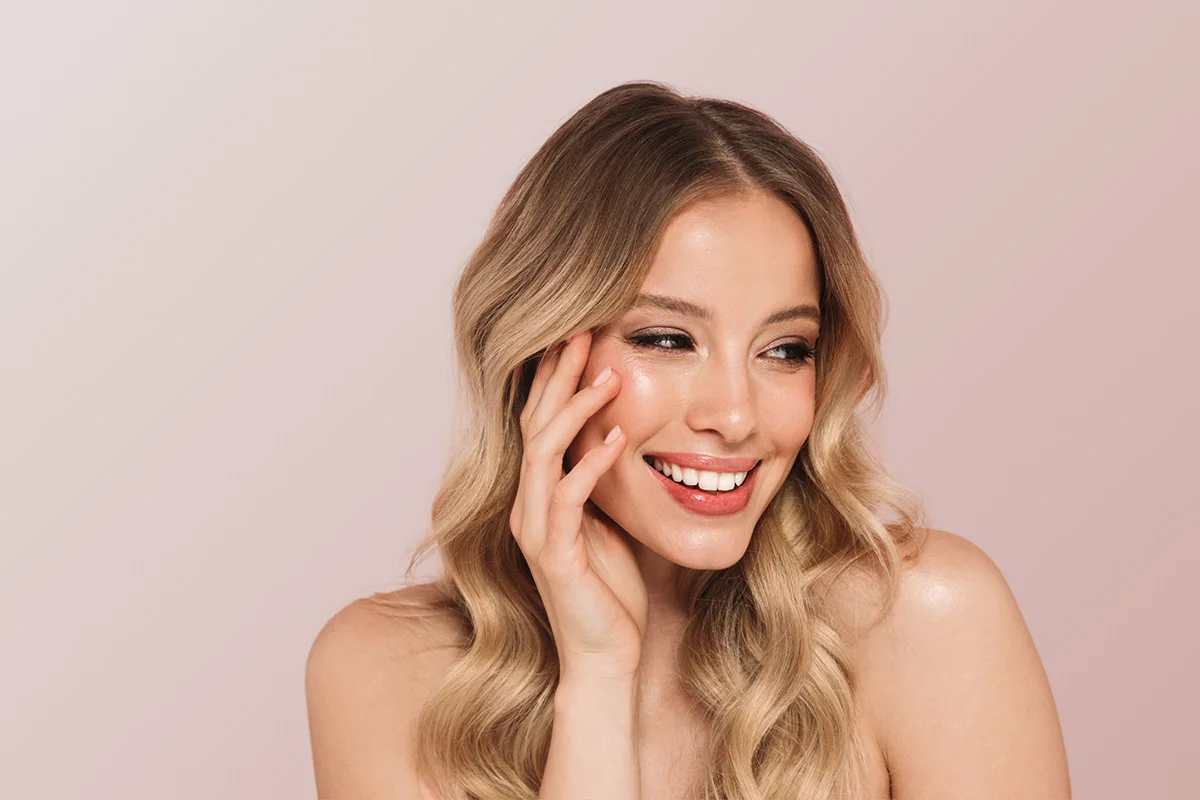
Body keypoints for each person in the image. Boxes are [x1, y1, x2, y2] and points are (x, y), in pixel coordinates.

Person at [304, 81, 1071, 799]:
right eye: (669, 339)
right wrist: (598, 679)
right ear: (541, 351)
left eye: (785, 349)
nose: (734, 415)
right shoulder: (384, 671)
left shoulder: (925, 619)